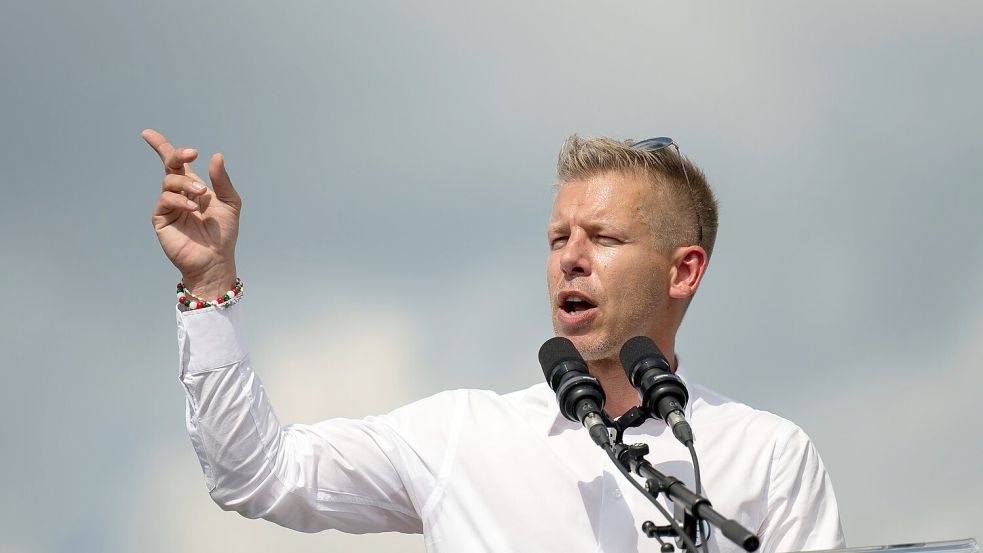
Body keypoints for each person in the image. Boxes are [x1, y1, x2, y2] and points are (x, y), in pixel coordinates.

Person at [144, 129, 846, 553]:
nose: (569, 258)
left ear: (682, 269)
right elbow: (255, 473)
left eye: (601, 238)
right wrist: (209, 289)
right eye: (555, 239)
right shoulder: (461, 433)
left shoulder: (765, 454)